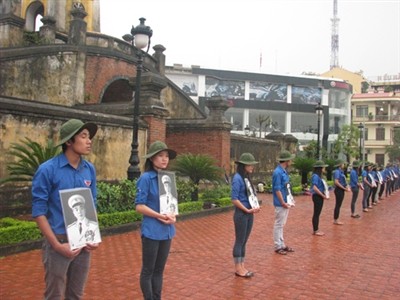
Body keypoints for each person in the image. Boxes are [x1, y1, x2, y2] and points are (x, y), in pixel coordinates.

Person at [32, 118, 99, 299]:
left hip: (83, 245)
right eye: (83, 136)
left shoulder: (89, 169)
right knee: (54, 294)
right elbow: (39, 211)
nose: (89, 141)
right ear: (69, 141)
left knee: (76, 295)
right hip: (59, 243)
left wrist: (92, 235)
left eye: (89, 137)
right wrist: (56, 245)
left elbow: (91, 203)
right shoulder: (47, 170)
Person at [135, 141, 177, 300]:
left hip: (167, 231)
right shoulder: (146, 178)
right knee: (148, 270)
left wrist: (173, 215)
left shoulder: (168, 178)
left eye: (166, 156)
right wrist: (160, 216)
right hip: (152, 230)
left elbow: (172, 205)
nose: (164, 159)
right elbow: (139, 206)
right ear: (152, 158)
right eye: (160, 156)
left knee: (159, 270)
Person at [231, 153, 260, 278]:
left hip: (249, 213)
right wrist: (245, 209)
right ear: (244, 165)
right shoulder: (237, 178)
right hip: (242, 214)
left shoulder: (247, 178)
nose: (252, 167)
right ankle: (238, 268)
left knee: (244, 241)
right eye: (250, 164)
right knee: (239, 240)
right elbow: (234, 199)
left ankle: (242, 265)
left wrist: (255, 206)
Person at [272, 150, 295, 255]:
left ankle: (282, 244)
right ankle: (278, 245)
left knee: (281, 224)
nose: (291, 161)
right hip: (281, 202)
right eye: (290, 159)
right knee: (279, 224)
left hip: (285, 201)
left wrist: (289, 199)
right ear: (286, 161)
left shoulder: (283, 171)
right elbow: (277, 189)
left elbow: (286, 187)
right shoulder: (278, 172)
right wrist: (282, 202)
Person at [310, 160, 329, 236]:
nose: (324, 169)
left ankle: (316, 229)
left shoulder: (319, 176)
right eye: (323, 167)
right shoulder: (315, 176)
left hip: (319, 196)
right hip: (317, 196)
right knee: (316, 213)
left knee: (317, 213)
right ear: (320, 168)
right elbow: (314, 187)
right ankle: (315, 230)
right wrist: (322, 195)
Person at [333, 159, 350, 225]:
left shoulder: (341, 172)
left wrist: (346, 186)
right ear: (340, 165)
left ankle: (336, 219)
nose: (343, 165)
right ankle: (336, 219)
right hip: (339, 190)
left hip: (341, 189)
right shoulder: (337, 172)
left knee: (339, 205)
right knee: (338, 205)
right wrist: (344, 188)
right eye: (342, 164)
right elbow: (336, 182)